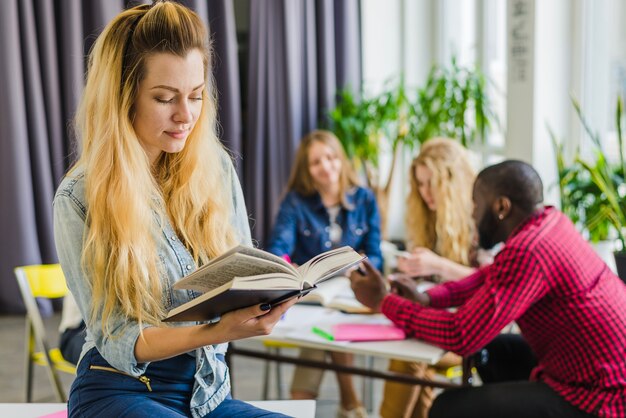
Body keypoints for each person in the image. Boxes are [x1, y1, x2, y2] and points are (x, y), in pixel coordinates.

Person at [53, 2, 295, 417]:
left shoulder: (214, 167)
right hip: (120, 389)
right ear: (123, 97)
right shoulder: (79, 197)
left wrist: (273, 296)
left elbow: (243, 274)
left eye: (196, 96)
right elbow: (118, 339)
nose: (186, 115)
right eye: (165, 98)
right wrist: (215, 331)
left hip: (208, 394)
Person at [350, 160, 626, 418]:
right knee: (488, 354)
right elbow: (489, 277)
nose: (472, 213)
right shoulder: (549, 224)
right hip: (590, 369)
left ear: (501, 207)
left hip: (601, 395)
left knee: (447, 408)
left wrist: (383, 301)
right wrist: (425, 299)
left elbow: (460, 334)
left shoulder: (530, 249)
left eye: (476, 204)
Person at [266, 129, 383, 418]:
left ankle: (300, 404)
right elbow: (278, 246)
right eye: (316, 162)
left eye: (330, 158)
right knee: (327, 328)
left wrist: (363, 269)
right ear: (307, 170)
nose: (326, 166)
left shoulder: (365, 199)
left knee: (324, 331)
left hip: (350, 295)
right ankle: (351, 403)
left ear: (341, 160)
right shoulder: (296, 201)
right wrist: (285, 264)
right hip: (312, 296)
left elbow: (375, 253)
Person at [380, 138, 479, 418]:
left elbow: (492, 280)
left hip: (470, 333)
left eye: (430, 184)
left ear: (451, 183)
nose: (425, 193)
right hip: (435, 323)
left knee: (408, 359)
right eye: (419, 184)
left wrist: (439, 265)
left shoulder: (479, 222)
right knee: (412, 359)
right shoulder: (427, 219)